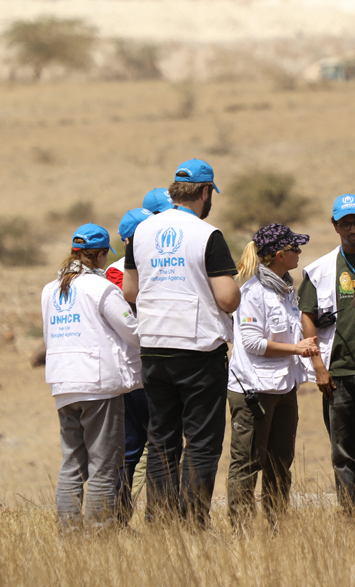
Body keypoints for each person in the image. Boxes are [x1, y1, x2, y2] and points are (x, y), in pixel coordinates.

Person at [122, 158, 241, 527]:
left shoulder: (142, 231)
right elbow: (226, 298)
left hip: (154, 345)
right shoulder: (207, 235)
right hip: (198, 350)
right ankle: (191, 522)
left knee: (161, 439)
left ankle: (160, 520)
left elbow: (129, 290)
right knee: (202, 440)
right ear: (205, 192)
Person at [41, 224, 142, 529]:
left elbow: (50, 337)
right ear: (100, 256)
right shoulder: (100, 288)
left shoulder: (50, 289)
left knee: (72, 461)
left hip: (62, 384)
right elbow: (133, 331)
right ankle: (100, 533)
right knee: (103, 464)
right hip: (98, 385)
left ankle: (69, 533)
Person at [228, 223, 318, 527]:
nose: (299, 253)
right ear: (280, 255)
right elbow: (253, 344)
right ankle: (241, 529)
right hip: (254, 390)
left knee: (280, 463)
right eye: (294, 248)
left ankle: (277, 526)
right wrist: (297, 349)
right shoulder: (252, 293)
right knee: (248, 462)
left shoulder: (287, 290)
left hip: (283, 388)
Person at [299, 194, 355, 517]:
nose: (353, 228)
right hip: (336, 375)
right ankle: (350, 516)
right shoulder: (318, 270)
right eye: (345, 223)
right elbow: (307, 317)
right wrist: (318, 366)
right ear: (335, 226)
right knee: (342, 452)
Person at [107, 207, 154, 523]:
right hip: (134, 370)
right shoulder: (118, 272)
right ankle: (120, 516)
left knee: (139, 447)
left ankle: (139, 517)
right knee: (134, 447)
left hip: (143, 368)